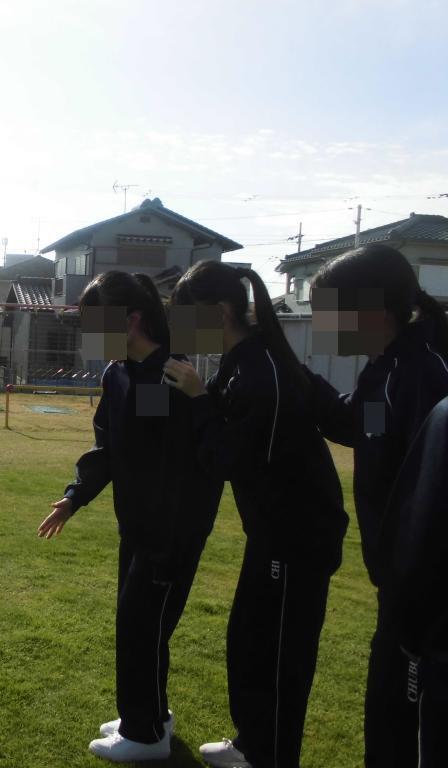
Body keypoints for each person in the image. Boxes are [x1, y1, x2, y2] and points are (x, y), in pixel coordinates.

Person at [163, 261, 347, 768]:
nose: (177, 328)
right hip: (272, 532)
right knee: (248, 641)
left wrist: (199, 398)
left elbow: (226, 458)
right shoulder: (246, 360)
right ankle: (253, 743)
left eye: (184, 316)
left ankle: (270, 754)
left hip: (297, 536)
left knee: (280, 655)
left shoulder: (261, 372)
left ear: (219, 312)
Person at [38, 271, 224, 762]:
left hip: (170, 533)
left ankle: (144, 736)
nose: (86, 333)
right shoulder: (119, 375)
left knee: (143, 627)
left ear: (132, 319)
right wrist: (75, 497)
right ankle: (149, 717)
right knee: (139, 626)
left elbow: (190, 462)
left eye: (92, 321)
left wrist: (172, 532)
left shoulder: (172, 375)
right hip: (139, 528)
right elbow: (112, 450)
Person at [304, 244, 448, 767]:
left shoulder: (426, 375)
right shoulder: (382, 369)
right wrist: (297, 382)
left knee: (409, 729)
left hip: (428, 598)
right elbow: (355, 427)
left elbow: (432, 495)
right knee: (386, 716)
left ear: (369, 311)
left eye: (327, 312)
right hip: (399, 588)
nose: (319, 324)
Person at [382, 394, 448, 764]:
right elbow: (366, 431)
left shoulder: (421, 380)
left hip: (431, 638)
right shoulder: (379, 380)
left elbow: (421, 524)